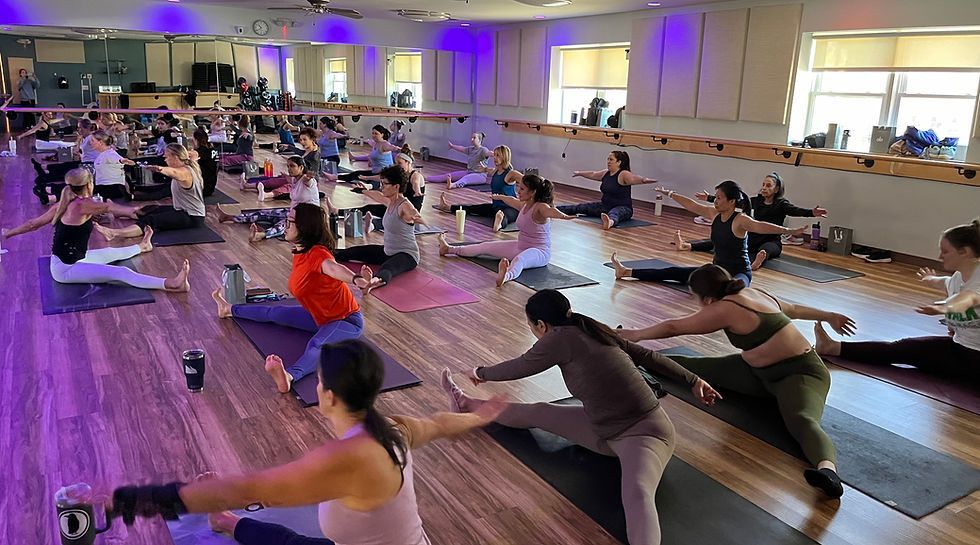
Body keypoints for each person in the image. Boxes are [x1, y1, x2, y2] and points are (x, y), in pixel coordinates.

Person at [108, 338, 507, 545]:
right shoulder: (394, 429)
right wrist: (479, 415)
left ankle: (228, 521)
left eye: (316, 380)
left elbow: (249, 488)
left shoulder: (350, 459)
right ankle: (230, 523)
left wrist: (125, 499)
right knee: (290, 540)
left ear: (328, 395)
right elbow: (438, 423)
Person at [442, 289, 721, 545]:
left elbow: (521, 366)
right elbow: (648, 356)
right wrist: (693, 380)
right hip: (603, 429)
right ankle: (464, 402)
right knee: (539, 411)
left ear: (541, 324)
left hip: (644, 434)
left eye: (531, 326)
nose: (533, 332)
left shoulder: (562, 338)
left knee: (637, 493)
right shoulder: (584, 326)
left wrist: (480, 372)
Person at [619, 263, 856, 498]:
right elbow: (793, 309)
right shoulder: (749, 293)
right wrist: (829, 316)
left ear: (709, 298)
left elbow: (674, 327)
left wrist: (638, 333)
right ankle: (632, 356)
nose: (695, 303)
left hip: (799, 374)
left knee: (802, 420)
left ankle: (828, 473)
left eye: (695, 297)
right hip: (754, 373)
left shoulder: (726, 307)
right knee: (689, 366)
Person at [213, 203, 368, 392]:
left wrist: (356, 278)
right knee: (275, 312)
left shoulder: (318, 254)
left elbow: (333, 268)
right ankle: (228, 309)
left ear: (304, 227)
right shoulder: (300, 250)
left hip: (345, 320)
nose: (285, 225)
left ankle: (289, 376)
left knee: (317, 344)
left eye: (290, 222)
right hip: (318, 317)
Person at [815, 219, 980, 382]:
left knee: (921, 357)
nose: (939, 256)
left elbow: (968, 298)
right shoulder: (959, 276)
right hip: (959, 349)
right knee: (903, 347)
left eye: (945, 252)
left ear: (964, 252)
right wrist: (931, 279)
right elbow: (946, 283)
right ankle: (832, 347)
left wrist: (945, 307)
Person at [1, 168, 189, 291]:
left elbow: (33, 223)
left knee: (109, 252)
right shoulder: (82, 205)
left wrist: (8, 233)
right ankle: (170, 284)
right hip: (66, 269)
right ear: (90, 184)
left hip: (69, 259)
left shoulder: (65, 203)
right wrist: (133, 210)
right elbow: (108, 207)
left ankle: (142, 247)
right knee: (121, 273)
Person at [610, 181, 806, 287]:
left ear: (731, 202)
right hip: (716, 270)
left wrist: (789, 231)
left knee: (734, 288)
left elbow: (763, 226)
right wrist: (671, 194)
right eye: (716, 197)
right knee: (674, 272)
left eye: (719, 198)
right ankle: (626, 271)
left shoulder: (740, 220)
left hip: (739, 274)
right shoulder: (714, 214)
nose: (715, 201)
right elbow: (692, 205)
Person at [438, 175, 575, 286]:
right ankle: (449, 249)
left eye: (522, 189)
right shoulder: (524, 205)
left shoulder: (540, 207)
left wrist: (563, 216)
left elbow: (551, 211)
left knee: (519, 260)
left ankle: (506, 276)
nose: (518, 191)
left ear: (532, 192)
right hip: (520, 245)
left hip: (539, 251)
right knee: (485, 246)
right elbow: (510, 200)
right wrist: (499, 197)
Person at [677, 173, 829, 269]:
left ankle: (757, 261)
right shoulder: (755, 201)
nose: (764, 188)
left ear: (776, 189)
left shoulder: (781, 204)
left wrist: (812, 212)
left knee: (767, 249)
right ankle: (688, 245)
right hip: (753, 237)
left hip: (771, 240)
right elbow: (734, 201)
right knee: (721, 241)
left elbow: (796, 211)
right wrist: (711, 198)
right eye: (763, 185)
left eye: (768, 186)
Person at [333, 166, 424, 294]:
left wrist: (418, 218)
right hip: (388, 251)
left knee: (387, 268)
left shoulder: (405, 205)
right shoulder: (390, 201)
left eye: (385, 184)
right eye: (381, 183)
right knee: (352, 252)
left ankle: (370, 283)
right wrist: (362, 191)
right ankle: (322, 254)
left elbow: (415, 215)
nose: (381, 187)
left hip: (407, 255)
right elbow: (377, 196)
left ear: (396, 186)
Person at [95, 144, 207, 239]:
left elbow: (173, 172)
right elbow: (193, 155)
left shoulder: (184, 172)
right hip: (181, 210)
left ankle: (113, 233)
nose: (165, 159)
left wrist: (160, 169)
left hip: (192, 217)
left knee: (151, 220)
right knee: (149, 209)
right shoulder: (187, 164)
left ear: (176, 157)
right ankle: (115, 210)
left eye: (167, 157)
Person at [217, 157, 330, 243]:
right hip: (292, 212)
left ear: (301, 168)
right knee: (260, 213)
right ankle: (229, 217)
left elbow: (308, 181)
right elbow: (290, 181)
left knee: (285, 226)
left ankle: (260, 235)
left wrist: (309, 177)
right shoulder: (294, 180)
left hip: (308, 217)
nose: (289, 168)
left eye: (292, 166)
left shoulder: (307, 181)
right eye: (288, 166)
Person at [558, 151, 657, 230]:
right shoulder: (606, 173)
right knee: (581, 207)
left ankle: (609, 222)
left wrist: (644, 180)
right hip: (604, 206)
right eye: (608, 159)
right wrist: (580, 173)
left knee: (614, 213)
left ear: (619, 162)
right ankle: (555, 209)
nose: (608, 161)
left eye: (611, 160)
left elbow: (634, 179)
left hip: (623, 208)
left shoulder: (623, 174)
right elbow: (593, 174)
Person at [434, 145, 521, 232]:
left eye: (498, 155)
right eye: (494, 155)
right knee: (473, 208)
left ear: (504, 157)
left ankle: (499, 224)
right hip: (496, 207)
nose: (494, 158)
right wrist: (484, 169)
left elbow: (527, 180)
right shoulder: (496, 171)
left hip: (511, 208)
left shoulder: (511, 174)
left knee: (504, 216)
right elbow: (490, 170)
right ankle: (447, 207)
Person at [242, 128, 320, 196]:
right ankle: (248, 185)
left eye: (305, 139)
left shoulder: (315, 155)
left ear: (312, 140)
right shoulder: (308, 150)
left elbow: (310, 172)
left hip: (306, 181)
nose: (302, 142)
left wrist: (291, 175)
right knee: (275, 180)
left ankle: (257, 190)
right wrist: (288, 147)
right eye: (301, 140)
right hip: (298, 177)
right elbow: (301, 152)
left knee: (283, 185)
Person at [324, 125, 401, 183]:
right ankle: (334, 177)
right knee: (356, 174)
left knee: (362, 178)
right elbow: (371, 148)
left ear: (382, 134)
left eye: (376, 134)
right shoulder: (375, 143)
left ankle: (334, 177)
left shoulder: (385, 144)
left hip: (382, 174)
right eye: (373, 133)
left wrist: (400, 149)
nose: (373, 135)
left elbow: (393, 147)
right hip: (374, 172)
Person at [90, 130, 135, 201]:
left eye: (92, 141)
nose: (90, 143)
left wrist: (123, 161)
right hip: (104, 187)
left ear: (100, 142)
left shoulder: (110, 154)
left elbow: (117, 159)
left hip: (112, 188)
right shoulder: (102, 154)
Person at [192, 128, 219, 197]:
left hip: (203, 188)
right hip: (211, 185)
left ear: (196, 140)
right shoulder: (212, 149)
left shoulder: (199, 152)